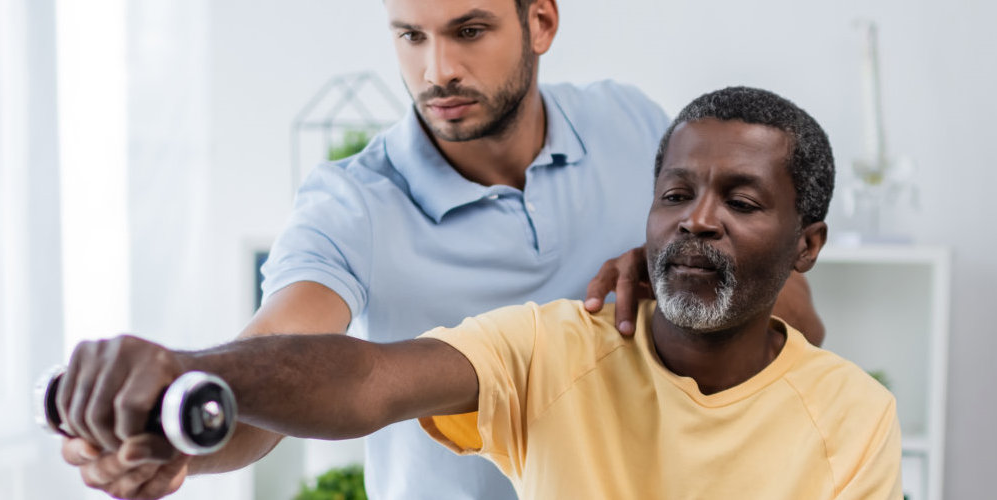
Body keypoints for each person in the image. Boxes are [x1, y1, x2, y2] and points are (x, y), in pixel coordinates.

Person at [53, 0, 825, 498]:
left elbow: (800, 327)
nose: (438, 70)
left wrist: (675, 279)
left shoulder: (633, 126)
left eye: (470, 30)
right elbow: (279, 355)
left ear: (542, 24)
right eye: (410, 36)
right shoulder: (352, 202)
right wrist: (181, 421)